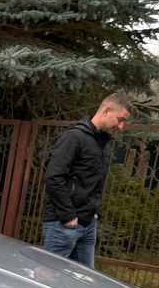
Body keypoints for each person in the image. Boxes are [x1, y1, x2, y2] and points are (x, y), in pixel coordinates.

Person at [42, 93, 132, 268]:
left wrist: (95, 211)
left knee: (85, 280)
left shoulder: (99, 141)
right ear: (106, 110)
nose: (121, 127)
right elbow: (54, 176)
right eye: (120, 119)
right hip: (64, 225)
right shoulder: (75, 137)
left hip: (88, 223)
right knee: (48, 277)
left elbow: (95, 181)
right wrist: (68, 216)